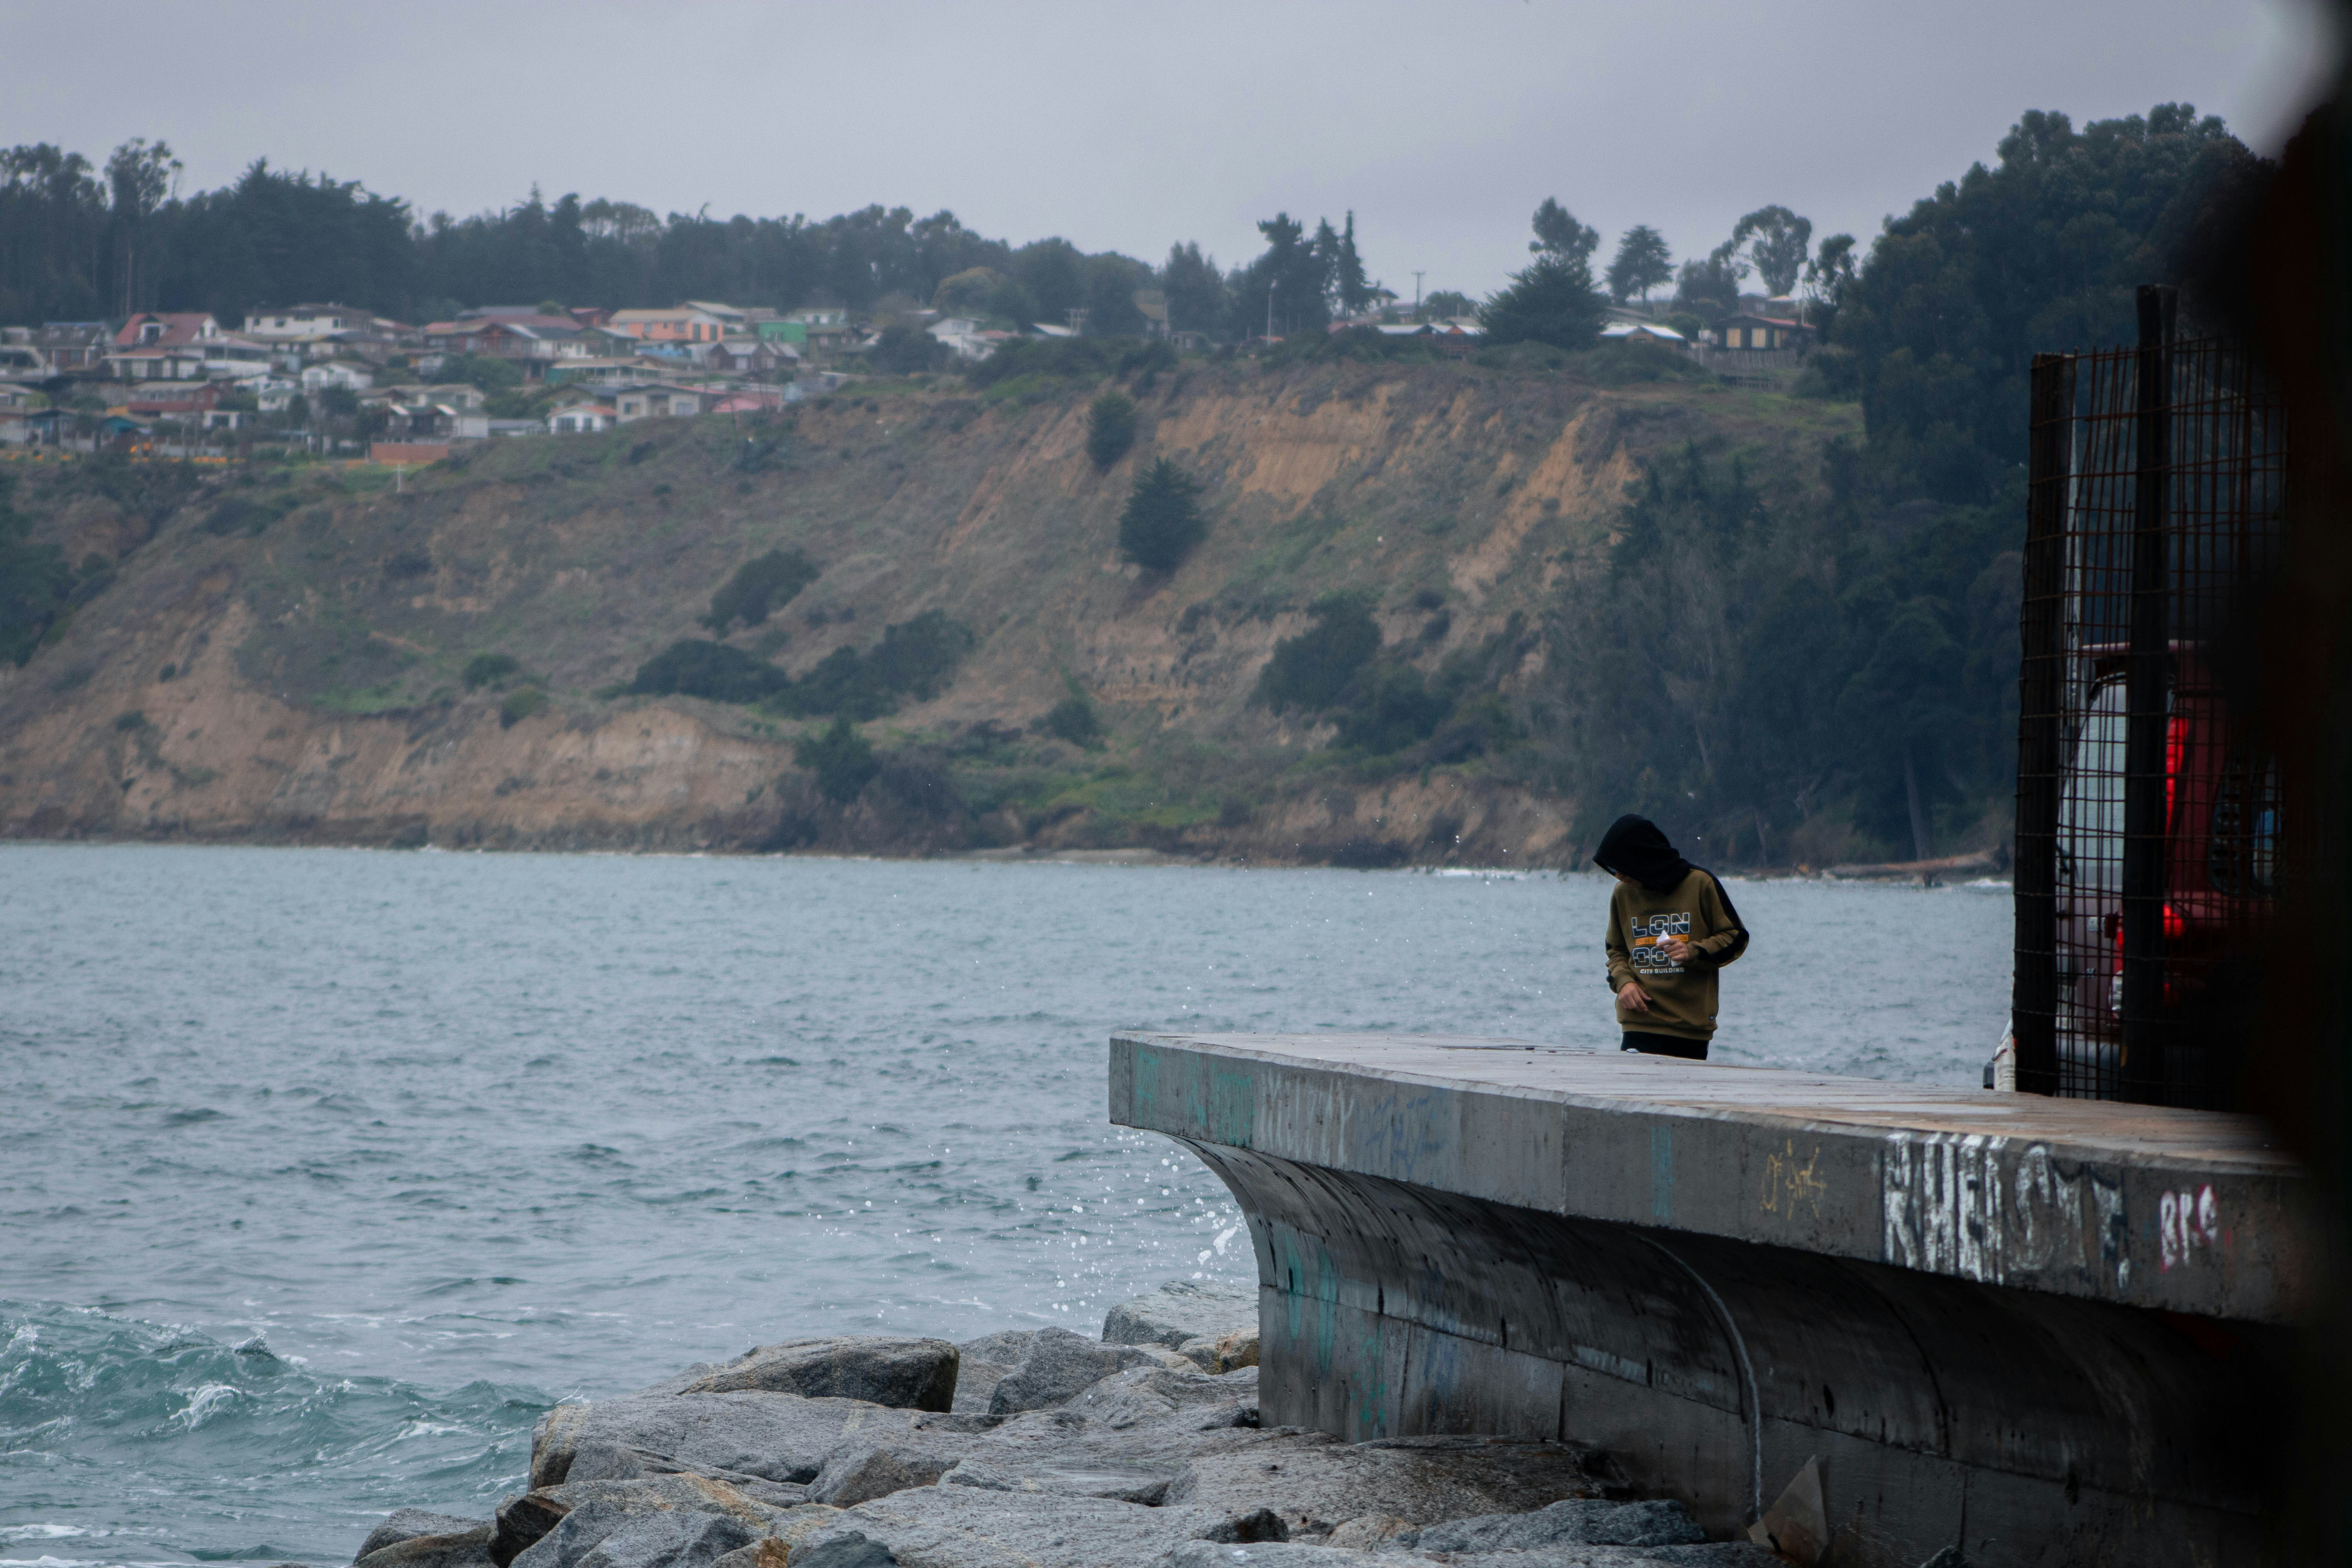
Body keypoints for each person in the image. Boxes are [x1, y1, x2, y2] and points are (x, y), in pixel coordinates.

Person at [1593, 814, 1748, 1060]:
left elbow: (1736, 937)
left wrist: (1693, 951)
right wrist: (1624, 982)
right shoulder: (1622, 893)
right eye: (1614, 868)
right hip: (1639, 1021)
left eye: (1622, 866)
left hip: (1689, 1026)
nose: (1618, 875)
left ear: (1642, 857)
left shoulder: (1700, 884)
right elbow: (1616, 950)